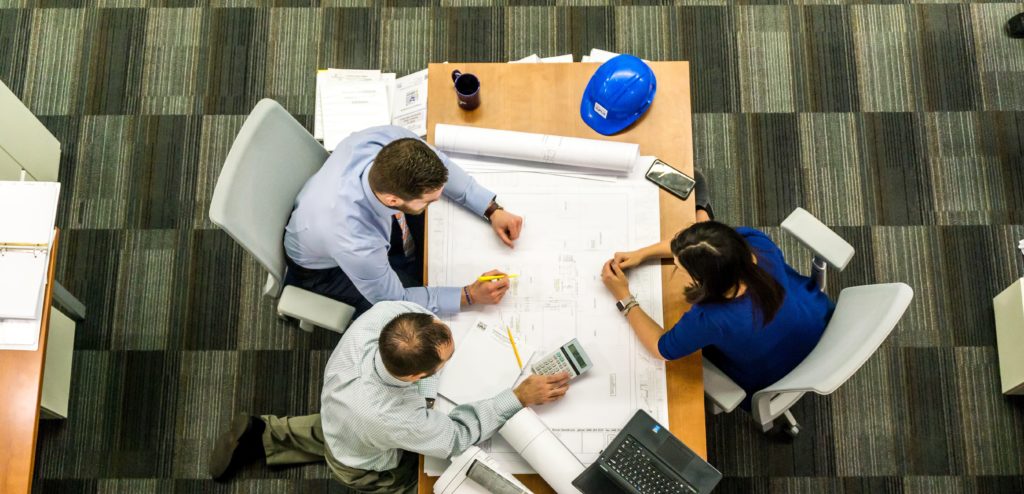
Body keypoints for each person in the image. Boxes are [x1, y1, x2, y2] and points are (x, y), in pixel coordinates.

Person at [209, 301, 570, 492]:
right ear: (414, 376)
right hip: (362, 463)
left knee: (338, 430)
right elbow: (455, 437)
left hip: (340, 410)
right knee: (422, 480)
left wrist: (426, 396)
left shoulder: (387, 316)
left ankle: (263, 433)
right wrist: (517, 396)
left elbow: (425, 320)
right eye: (445, 362)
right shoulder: (394, 417)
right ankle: (268, 439)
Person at [284, 125, 525, 316]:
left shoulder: (390, 141)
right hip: (324, 270)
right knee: (412, 316)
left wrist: (491, 209)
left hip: (328, 213)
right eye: (429, 201)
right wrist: (469, 295)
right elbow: (395, 300)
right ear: (392, 200)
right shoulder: (355, 241)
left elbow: (442, 164)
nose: (437, 202)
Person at [599, 220, 834, 409]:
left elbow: (662, 348)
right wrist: (642, 254)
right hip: (817, 318)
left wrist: (624, 297)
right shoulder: (755, 243)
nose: (677, 268)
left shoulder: (711, 318)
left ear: (705, 281)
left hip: (774, 372)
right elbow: (699, 245)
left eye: (680, 268)